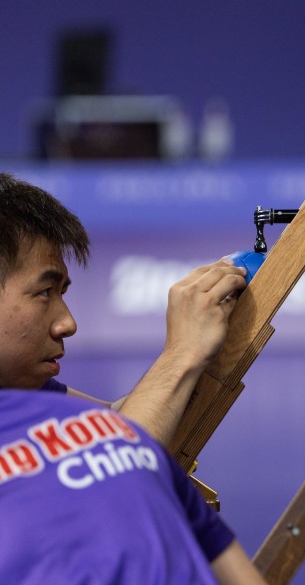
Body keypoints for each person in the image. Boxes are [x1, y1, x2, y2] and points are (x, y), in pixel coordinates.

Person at [0, 171, 246, 446]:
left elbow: (113, 426)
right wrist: (182, 354)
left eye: (62, 292)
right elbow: (121, 460)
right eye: (45, 292)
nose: (68, 324)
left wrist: (200, 350)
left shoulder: (19, 389)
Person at [0, 388, 283, 585]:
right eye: (44, 306)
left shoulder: (109, 430)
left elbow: (225, 559)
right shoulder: (111, 430)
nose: (67, 325)